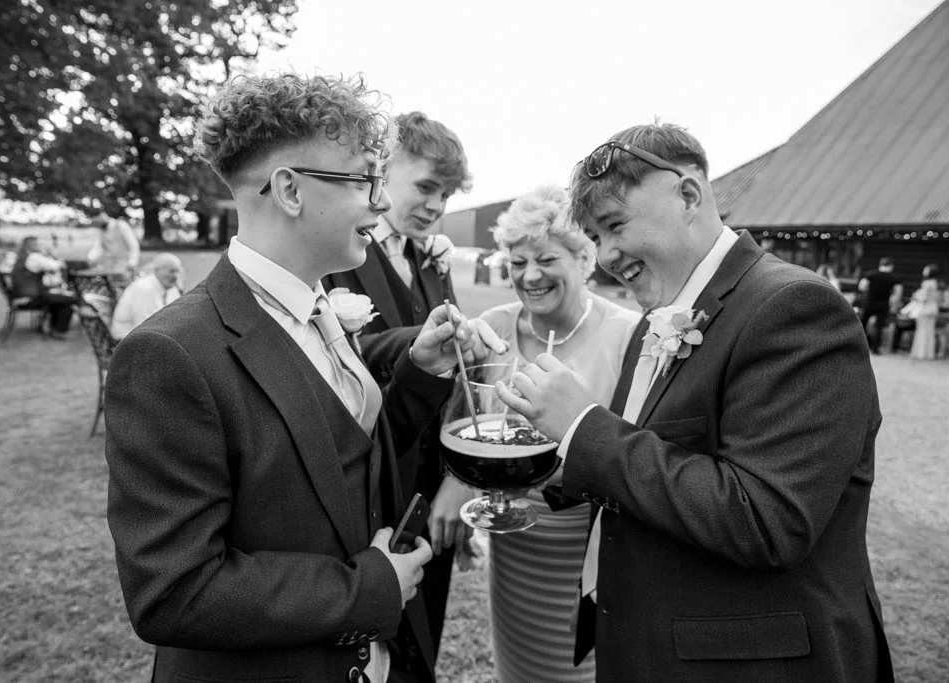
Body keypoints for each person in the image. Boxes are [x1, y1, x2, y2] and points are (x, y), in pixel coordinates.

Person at [103, 72, 502, 683]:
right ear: (290, 190)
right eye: (364, 180)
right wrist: (367, 587)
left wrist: (421, 376)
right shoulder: (169, 354)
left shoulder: (318, 310)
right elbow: (175, 591)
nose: (379, 202)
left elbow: (340, 457)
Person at [498, 123, 894, 681]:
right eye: (595, 237)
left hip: (749, 661)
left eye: (614, 226)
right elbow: (650, 459)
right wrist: (538, 468)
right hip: (651, 644)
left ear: (688, 195)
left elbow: (767, 519)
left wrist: (584, 427)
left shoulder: (796, 307)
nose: (607, 255)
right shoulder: (655, 321)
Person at [322, 110, 479, 661]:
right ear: (383, 170)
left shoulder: (431, 257)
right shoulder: (334, 249)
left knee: (425, 633)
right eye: (427, 187)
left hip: (434, 481)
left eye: (448, 195)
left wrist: (459, 477)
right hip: (367, 482)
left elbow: (452, 368)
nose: (437, 206)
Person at [477, 186, 641, 683]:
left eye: (546, 258)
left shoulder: (629, 335)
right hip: (511, 544)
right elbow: (467, 423)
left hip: (589, 548)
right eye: (517, 260)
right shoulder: (491, 327)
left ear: (584, 258)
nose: (530, 275)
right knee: (518, 666)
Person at [10, 236, 78, 339]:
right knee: (70, 299)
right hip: (31, 297)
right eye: (37, 244)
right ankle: (58, 330)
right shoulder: (33, 257)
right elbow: (55, 266)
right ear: (31, 245)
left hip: (21, 295)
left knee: (59, 297)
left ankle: (52, 327)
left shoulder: (21, 256)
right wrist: (52, 256)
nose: (39, 246)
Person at [109, 252, 184, 339]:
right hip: (129, 339)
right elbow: (146, 326)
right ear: (157, 270)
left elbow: (177, 318)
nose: (175, 276)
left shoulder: (171, 288)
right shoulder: (144, 288)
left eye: (177, 271)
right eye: (171, 271)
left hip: (152, 336)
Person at [858, 257, 903, 354]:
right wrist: (893, 304)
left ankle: (860, 346)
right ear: (891, 266)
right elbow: (898, 294)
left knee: (863, 324)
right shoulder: (894, 278)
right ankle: (875, 348)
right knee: (879, 326)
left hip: (869, 302)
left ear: (880, 264)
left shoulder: (870, 274)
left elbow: (861, 287)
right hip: (883, 304)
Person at [88, 210, 140, 276]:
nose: (97, 225)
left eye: (97, 222)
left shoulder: (121, 225)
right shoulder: (100, 231)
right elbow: (97, 248)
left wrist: (132, 263)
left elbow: (134, 245)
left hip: (125, 265)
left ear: (103, 216)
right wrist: (90, 259)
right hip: (109, 266)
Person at [909, 264, 943, 360]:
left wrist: (915, 296)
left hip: (925, 308)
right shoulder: (935, 283)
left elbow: (924, 298)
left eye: (926, 270)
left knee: (922, 330)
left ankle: (920, 353)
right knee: (929, 330)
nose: (924, 271)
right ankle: (929, 353)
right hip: (933, 308)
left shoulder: (927, 283)